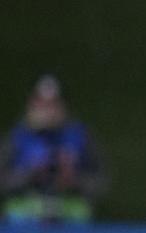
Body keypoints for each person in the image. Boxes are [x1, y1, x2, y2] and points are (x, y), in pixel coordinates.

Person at [0, 75, 106, 224]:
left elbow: (100, 181)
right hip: (22, 224)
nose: (48, 111)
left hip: (71, 224)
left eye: (53, 104)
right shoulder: (17, 137)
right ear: (31, 104)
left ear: (64, 106)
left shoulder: (80, 137)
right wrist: (30, 174)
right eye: (41, 104)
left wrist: (73, 179)